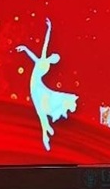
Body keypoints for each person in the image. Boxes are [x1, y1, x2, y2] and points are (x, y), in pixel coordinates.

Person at [16, 18, 78, 151]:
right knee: (40, 110)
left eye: (55, 59)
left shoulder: (47, 65)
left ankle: (45, 133)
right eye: (54, 56)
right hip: (35, 85)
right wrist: (49, 29)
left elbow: (38, 54)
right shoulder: (43, 58)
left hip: (37, 87)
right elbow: (45, 43)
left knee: (41, 110)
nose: (53, 58)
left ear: (54, 61)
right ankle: (46, 131)